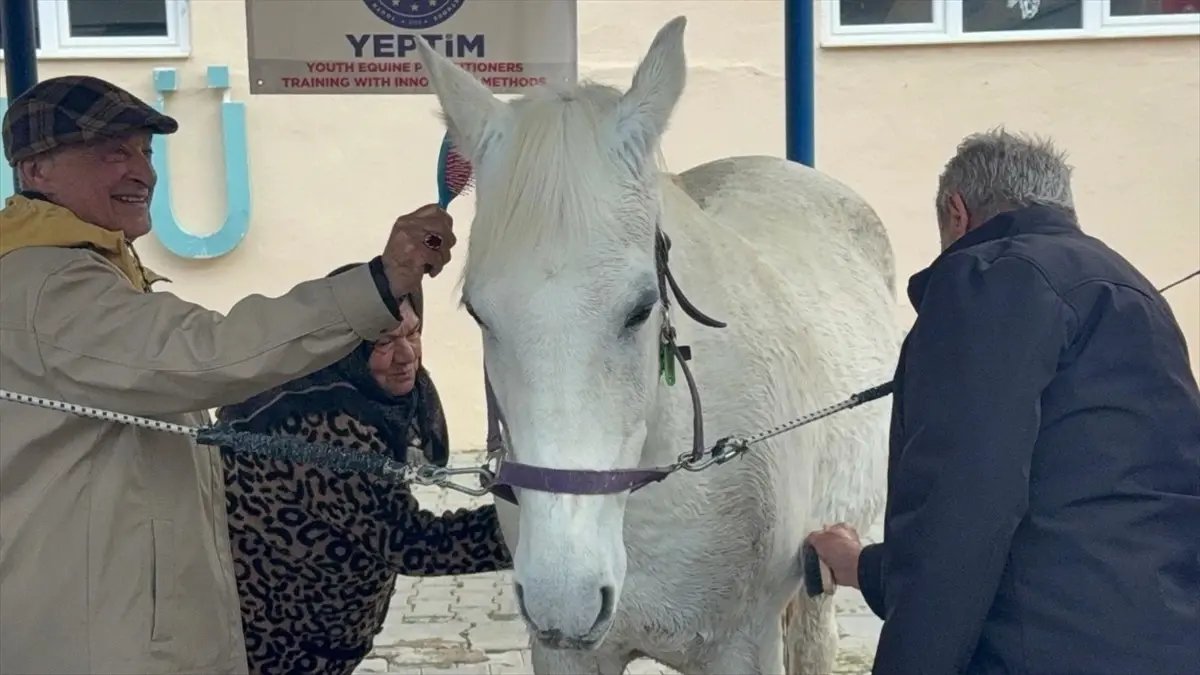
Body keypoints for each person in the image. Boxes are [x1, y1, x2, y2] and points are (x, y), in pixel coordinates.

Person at [0, 75, 456, 674]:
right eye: (113, 153)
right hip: (98, 645)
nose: (142, 172)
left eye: (145, 151)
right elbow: (211, 352)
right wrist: (381, 280)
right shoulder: (48, 287)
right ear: (36, 171)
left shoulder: (85, 274)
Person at [806, 129, 1200, 675]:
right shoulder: (1131, 292)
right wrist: (865, 569)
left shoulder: (991, 276)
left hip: (1040, 650)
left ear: (956, 212)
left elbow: (963, 504)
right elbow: (1085, 505)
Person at [216, 269, 512, 675]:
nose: (407, 355)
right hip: (273, 651)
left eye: (413, 333)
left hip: (306, 648)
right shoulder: (320, 423)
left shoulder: (353, 393)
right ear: (344, 347)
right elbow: (413, 543)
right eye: (384, 342)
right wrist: (528, 526)